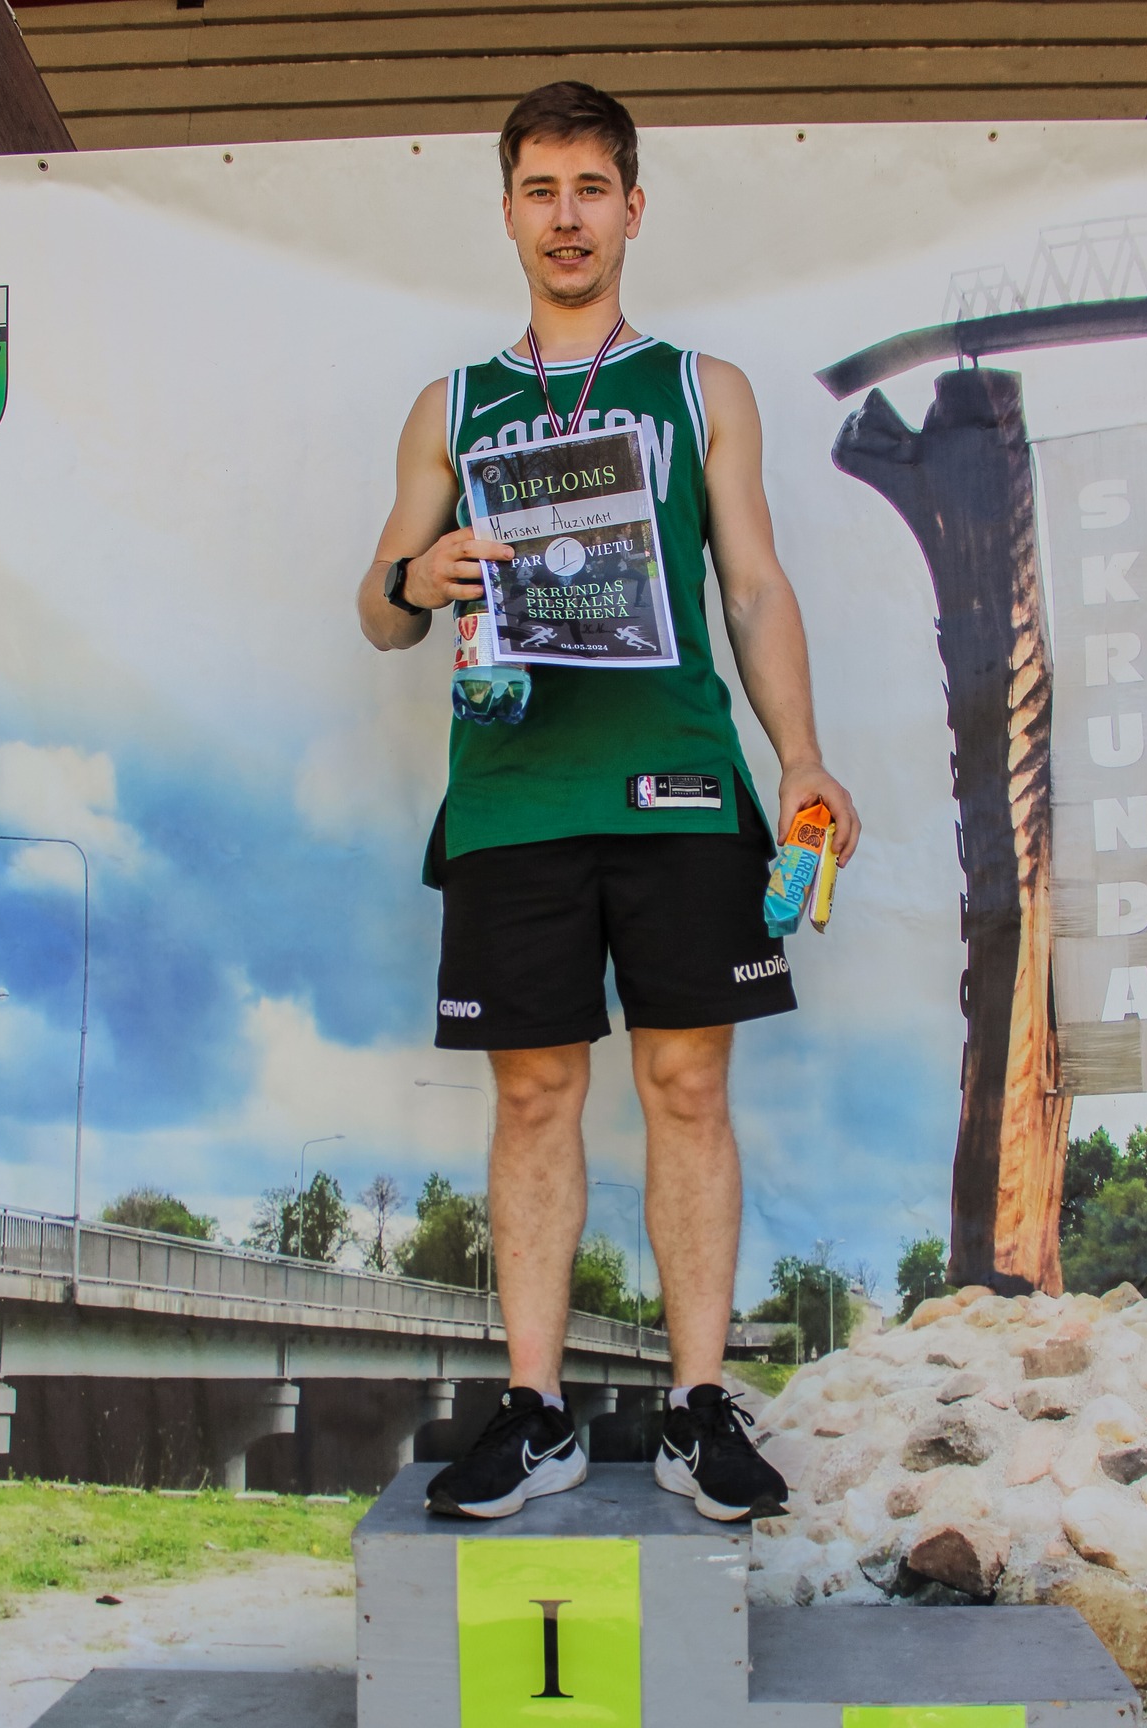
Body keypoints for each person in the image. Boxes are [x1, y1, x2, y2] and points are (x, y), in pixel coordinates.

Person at [358, 81, 860, 1523]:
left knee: (688, 1087)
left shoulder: (703, 388)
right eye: (540, 190)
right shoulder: (452, 406)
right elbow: (379, 614)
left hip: (679, 788)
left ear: (632, 208)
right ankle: (535, 1412)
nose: (565, 217)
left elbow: (752, 586)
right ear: (509, 212)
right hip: (511, 796)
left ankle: (700, 1408)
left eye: (590, 188)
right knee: (533, 1094)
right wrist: (416, 575)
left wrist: (801, 756)